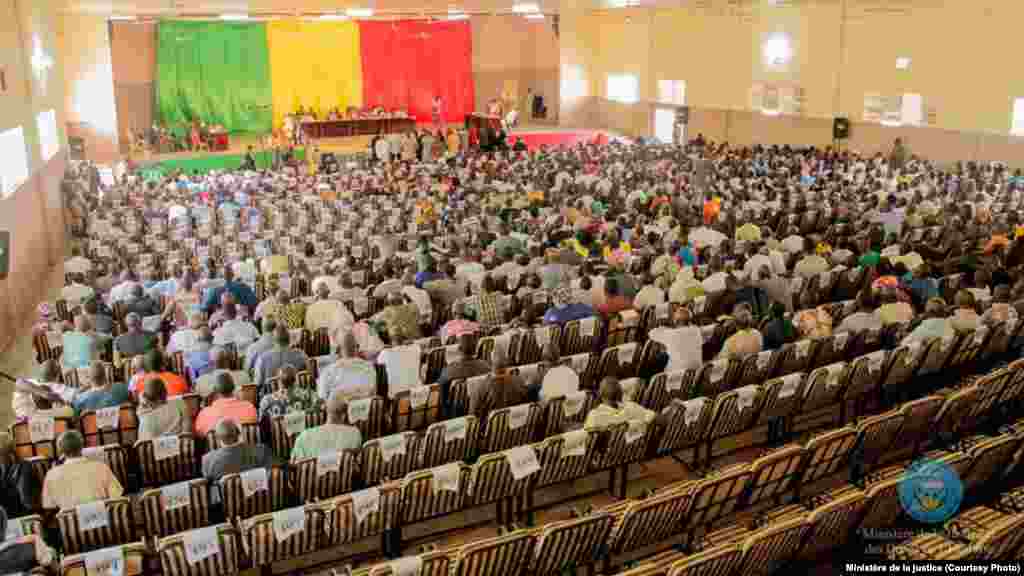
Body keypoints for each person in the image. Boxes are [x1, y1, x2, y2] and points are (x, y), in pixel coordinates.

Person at [41, 430, 123, 510]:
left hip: (70, 522)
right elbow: (116, 495)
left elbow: (49, 505)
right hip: (104, 519)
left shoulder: (51, 475)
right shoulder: (101, 467)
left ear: (60, 450)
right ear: (82, 446)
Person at [291, 390, 363, 460]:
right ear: (343, 416)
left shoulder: (303, 436)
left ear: (327, 411)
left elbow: (295, 464)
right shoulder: (355, 434)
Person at [201, 419, 272, 484]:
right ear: (239, 433)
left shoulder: (207, 461)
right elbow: (270, 474)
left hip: (226, 497)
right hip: (258, 496)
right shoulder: (261, 450)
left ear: (218, 438)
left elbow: (208, 485)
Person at [468, 347, 529, 421]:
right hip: (515, 428)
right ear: (507, 362)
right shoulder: (519, 381)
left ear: (490, 363)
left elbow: (472, 417)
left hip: (489, 431)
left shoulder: (480, 387)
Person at [438, 333, 491, 417]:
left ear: (459, 349)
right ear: (475, 349)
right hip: (479, 410)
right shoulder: (486, 367)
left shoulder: (450, 370)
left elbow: (441, 394)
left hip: (456, 412)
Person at [317, 332, 377, 402]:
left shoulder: (328, 371)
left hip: (337, 410)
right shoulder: (369, 367)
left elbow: (322, 397)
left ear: (338, 350)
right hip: (364, 410)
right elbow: (374, 395)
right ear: (357, 348)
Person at [194, 373, 258, 437]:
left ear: (215, 391)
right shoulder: (249, 407)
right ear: (234, 388)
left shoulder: (205, 413)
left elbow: (199, 434)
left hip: (218, 447)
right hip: (248, 446)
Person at [583, 377, 655, 430]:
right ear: (620, 393)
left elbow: (589, 443)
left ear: (600, 393)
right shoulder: (632, 407)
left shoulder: (594, 416)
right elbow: (657, 418)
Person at [253, 325, 308, 392]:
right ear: (289, 339)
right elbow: (307, 377)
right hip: (297, 396)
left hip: (270, 398)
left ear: (273, 340)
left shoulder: (262, 359)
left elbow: (257, 384)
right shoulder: (301, 355)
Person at [0, 433, 35, 517]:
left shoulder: (24, 466)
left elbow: (26, 500)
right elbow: (26, 500)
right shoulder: (25, 466)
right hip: (17, 517)